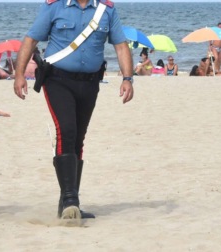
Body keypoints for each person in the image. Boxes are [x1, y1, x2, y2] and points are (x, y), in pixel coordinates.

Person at [13, 0, 134, 223]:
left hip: (89, 83)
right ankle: (70, 200)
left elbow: (120, 45)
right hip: (58, 80)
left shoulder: (107, 9)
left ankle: (68, 203)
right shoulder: (54, 6)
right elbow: (31, 39)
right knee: (66, 130)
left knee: (78, 137)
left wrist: (127, 78)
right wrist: (19, 74)